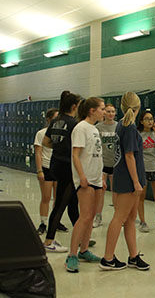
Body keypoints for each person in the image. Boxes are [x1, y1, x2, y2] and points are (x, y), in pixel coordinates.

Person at [100, 92, 149, 271]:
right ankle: (108, 258)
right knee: (119, 217)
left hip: (127, 177)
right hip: (128, 179)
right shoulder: (128, 127)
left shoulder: (123, 124)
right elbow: (129, 156)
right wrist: (136, 182)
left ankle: (134, 256)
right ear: (138, 107)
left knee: (130, 218)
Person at [65, 97, 106, 272]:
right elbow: (76, 155)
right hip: (85, 179)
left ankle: (84, 250)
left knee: (91, 217)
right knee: (85, 216)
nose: (104, 112)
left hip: (96, 178)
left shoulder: (94, 129)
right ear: (92, 110)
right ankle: (72, 255)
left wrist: (101, 177)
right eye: (102, 109)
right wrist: (81, 176)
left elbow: (96, 154)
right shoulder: (81, 128)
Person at [42, 91, 81, 252]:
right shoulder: (74, 123)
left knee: (72, 203)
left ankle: (81, 237)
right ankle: (49, 240)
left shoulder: (56, 121)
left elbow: (46, 141)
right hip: (67, 167)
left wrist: (58, 148)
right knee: (60, 204)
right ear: (74, 106)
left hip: (55, 164)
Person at [34, 108, 68, 235]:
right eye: (55, 118)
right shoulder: (41, 133)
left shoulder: (62, 132)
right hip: (46, 167)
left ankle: (56, 221)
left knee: (58, 198)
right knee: (46, 197)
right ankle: (43, 223)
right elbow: (38, 153)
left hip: (58, 167)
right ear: (49, 119)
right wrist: (39, 170)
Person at [94, 103, 118, 228]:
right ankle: (98, 216)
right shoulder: (98, 127)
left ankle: (118, 217)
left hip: (115, 163)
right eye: (108, 111)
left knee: (116, 191)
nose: (110, 114)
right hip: (103, 163)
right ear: (104, 113)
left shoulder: (118, 126)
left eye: (112, 111)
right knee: (101, 191)